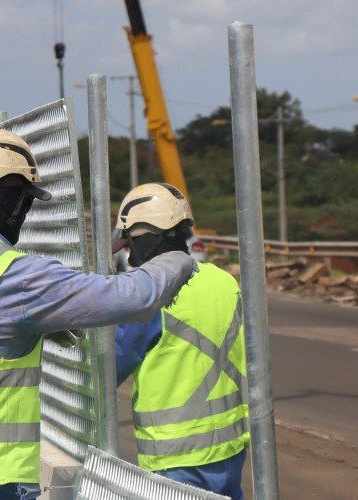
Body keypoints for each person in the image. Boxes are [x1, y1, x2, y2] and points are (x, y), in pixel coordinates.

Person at [0, 129, 198, 500]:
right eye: (26, 200)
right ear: (10, 198)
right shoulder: (13, 275)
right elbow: (135, 296)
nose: (27, 211)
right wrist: (178, 254)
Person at [113, 183, 249, 499]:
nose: (128, 253)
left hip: (175, 458)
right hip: (229, 450)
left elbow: (109, 370)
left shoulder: (148, 296)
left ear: (148, 237)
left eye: (130, 243)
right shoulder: (223, 280)